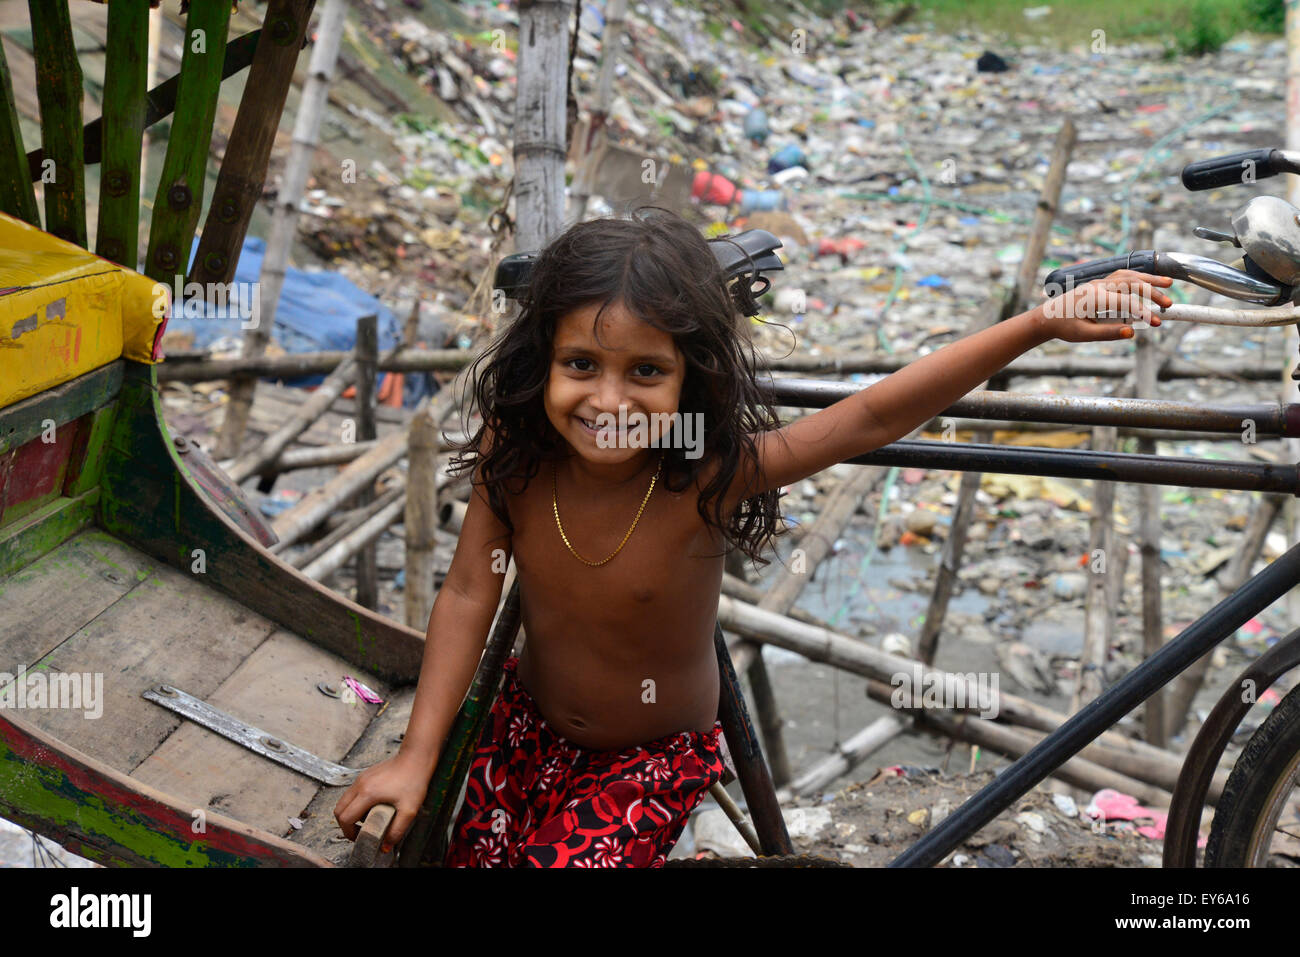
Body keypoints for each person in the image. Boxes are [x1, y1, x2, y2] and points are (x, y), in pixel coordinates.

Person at [333, 207, 1172, 867]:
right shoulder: (512, 457)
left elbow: (873, 412)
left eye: (647, 372)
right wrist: (417, 752)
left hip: (648, 758)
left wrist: (1036, 325)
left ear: (690, 380)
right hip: (524, 727)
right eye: (581, 364)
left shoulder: (703, 473)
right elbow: (471, 590)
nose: (610, 400)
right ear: (540, 361)